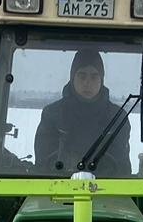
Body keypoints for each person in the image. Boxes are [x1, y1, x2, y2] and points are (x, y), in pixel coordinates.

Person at [33, 49, 130, 177]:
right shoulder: (52, 115)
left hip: (106, 191)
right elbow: (43, 162)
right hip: (57, 189)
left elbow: (121, 167)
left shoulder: (117, 118)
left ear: (101, 79)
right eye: (82, 76)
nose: (87, 83)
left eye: (94, 76)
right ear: (73, 78)